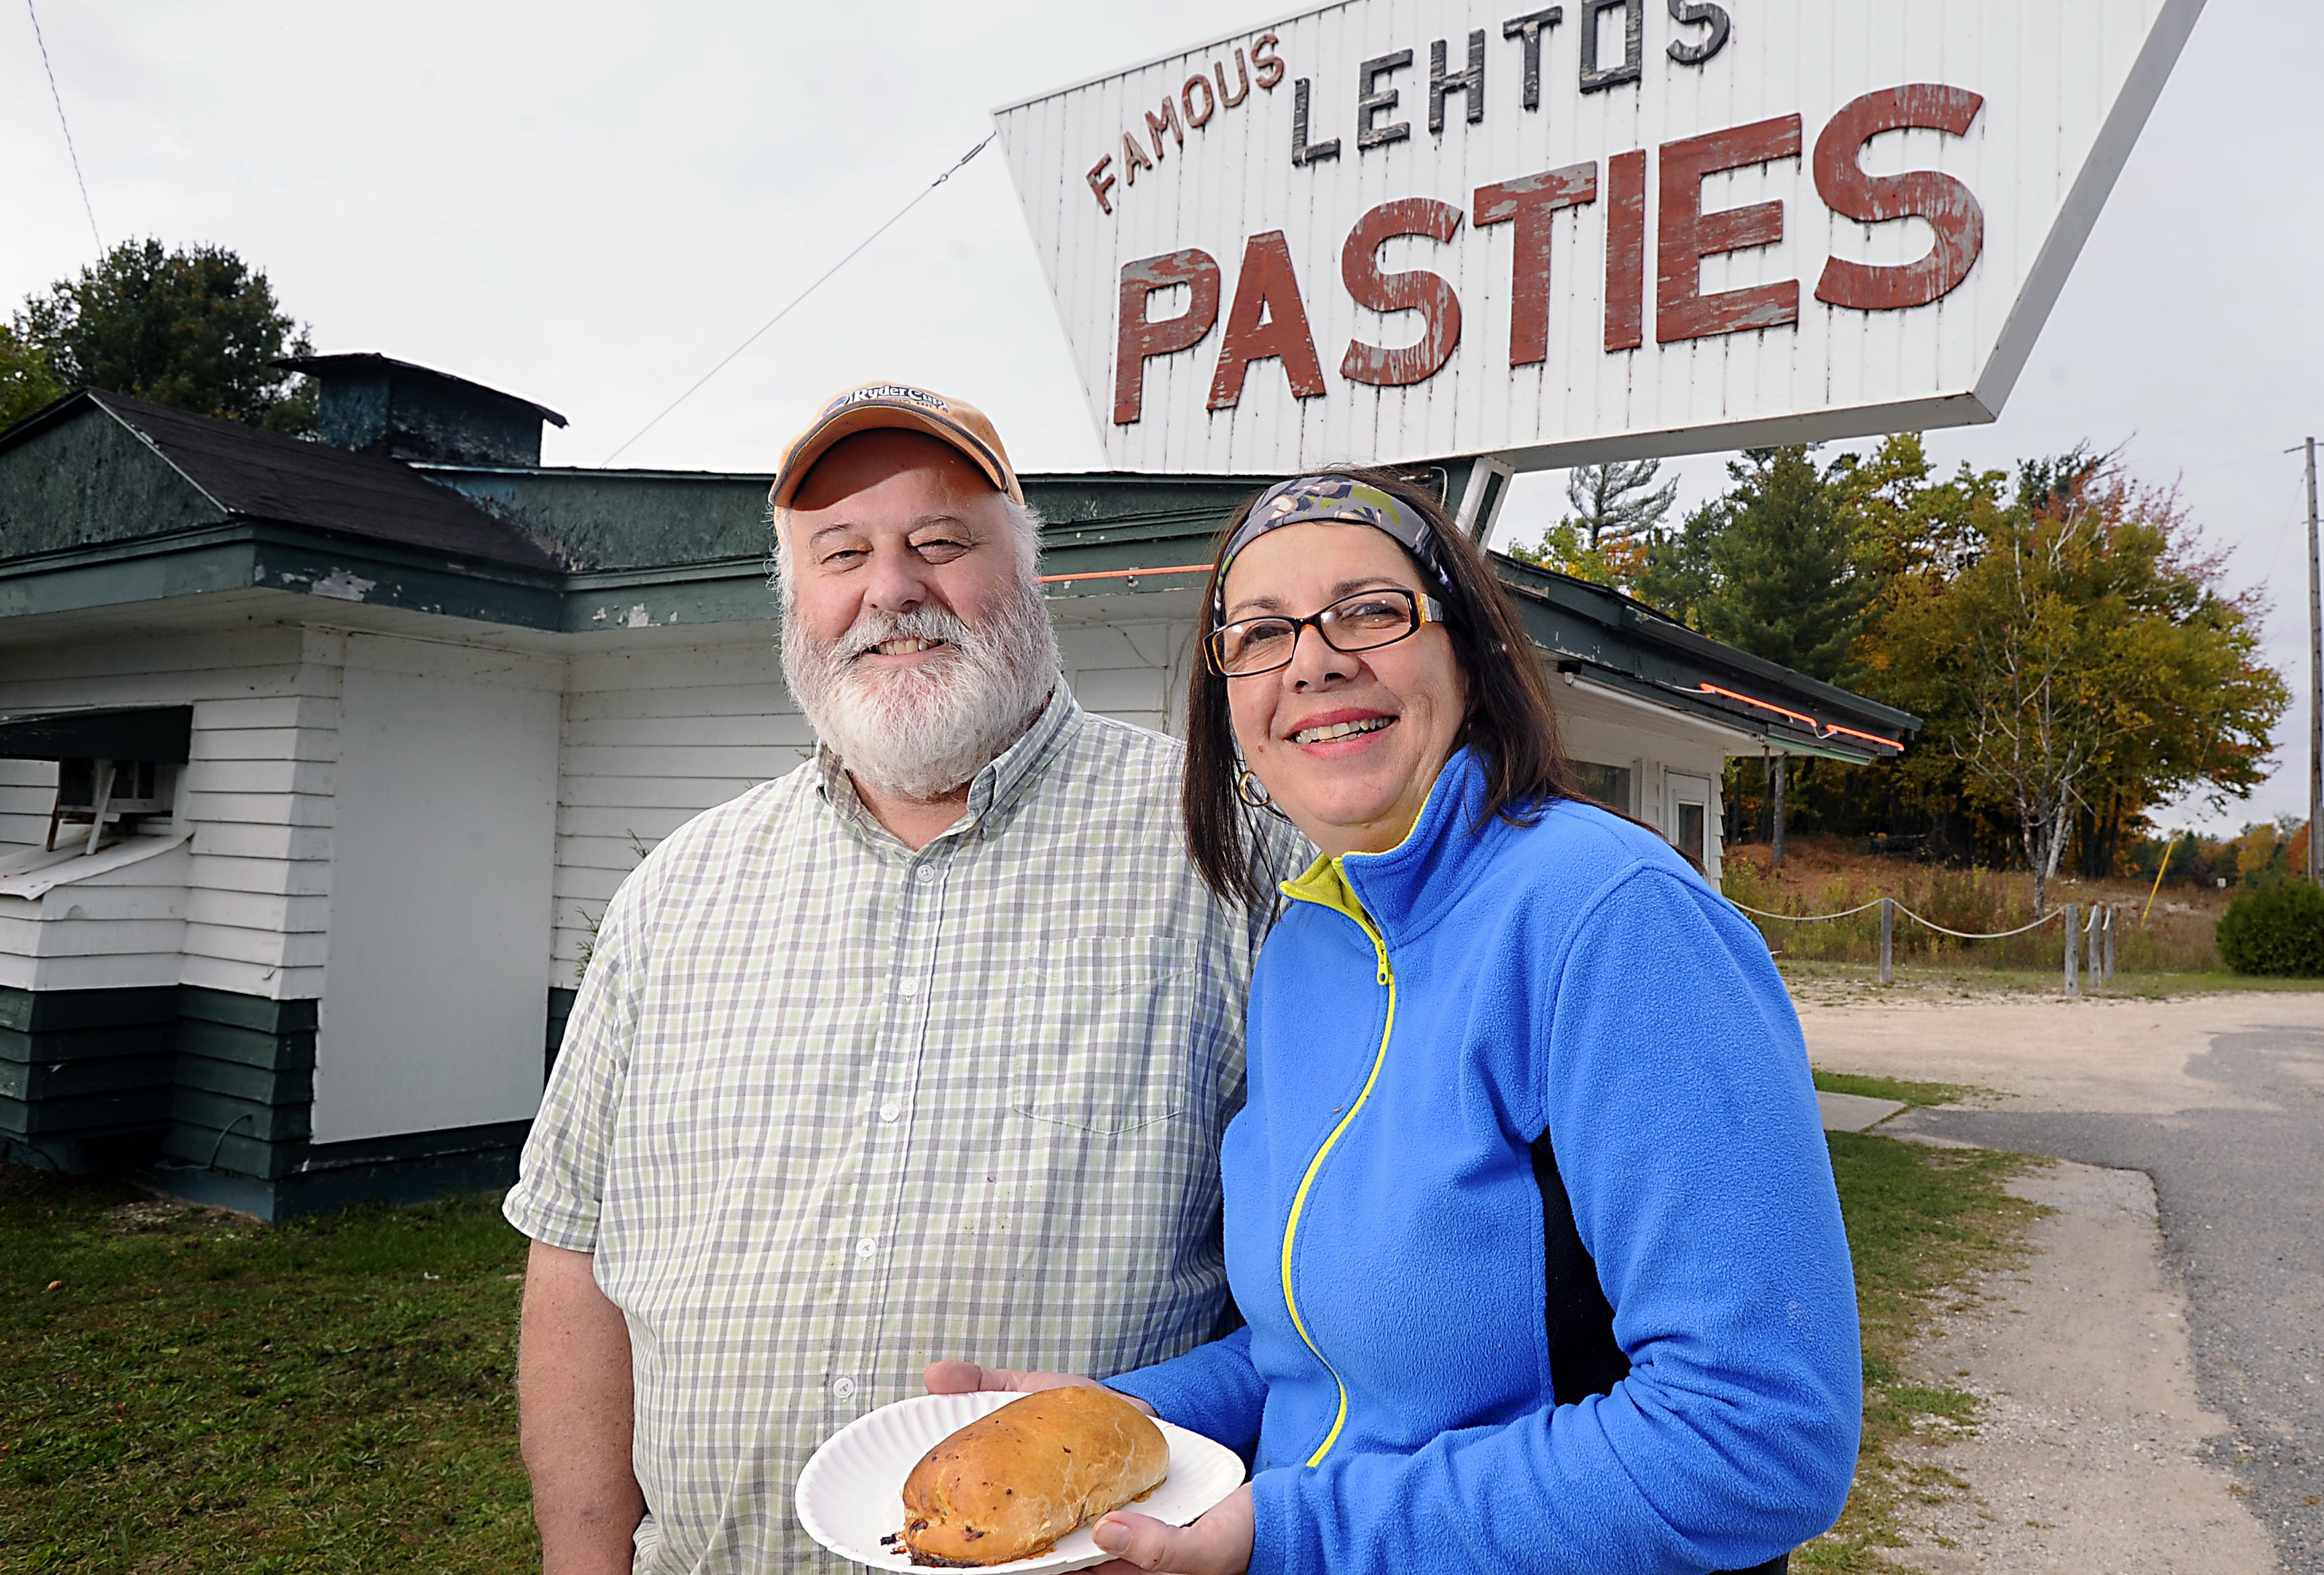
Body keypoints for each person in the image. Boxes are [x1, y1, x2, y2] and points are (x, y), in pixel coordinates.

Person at [925, 471, 1861, 1575]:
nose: (1313, 660)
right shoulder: (1303, 948)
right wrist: (1116, 1414)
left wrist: (1298, 1532)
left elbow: (1757, 1437)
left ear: (1469, 651)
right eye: (1261, 633)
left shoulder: (1606, 915)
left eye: (1369, 611)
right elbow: (1315, 1362)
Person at [507, 384, 1290, 1574]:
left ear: (1029, 574)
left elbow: (1341, 1288)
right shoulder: (676, 894)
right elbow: (575, 1258)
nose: (892, 590)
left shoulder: (1235, 855)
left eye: (940, 543)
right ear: (795, 600)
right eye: (842, 553)